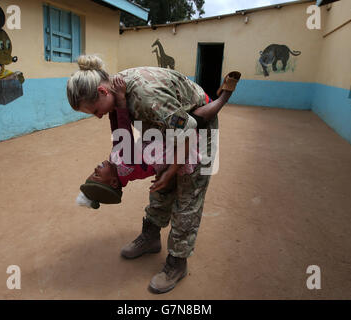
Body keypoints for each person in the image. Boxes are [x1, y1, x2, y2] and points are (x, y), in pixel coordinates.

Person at [67, 55, 240, 294]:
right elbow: (124, 134)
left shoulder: (145, 96)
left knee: (187, 198)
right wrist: (165, 171)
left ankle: (177, 263)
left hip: (197, 131)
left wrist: (171, 170)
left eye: (95, 110)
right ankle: (150, 237)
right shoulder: (119, 92)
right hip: (165, 132)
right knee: (161, 189)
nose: (97, 116)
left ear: (102, 91)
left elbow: (189, 128)